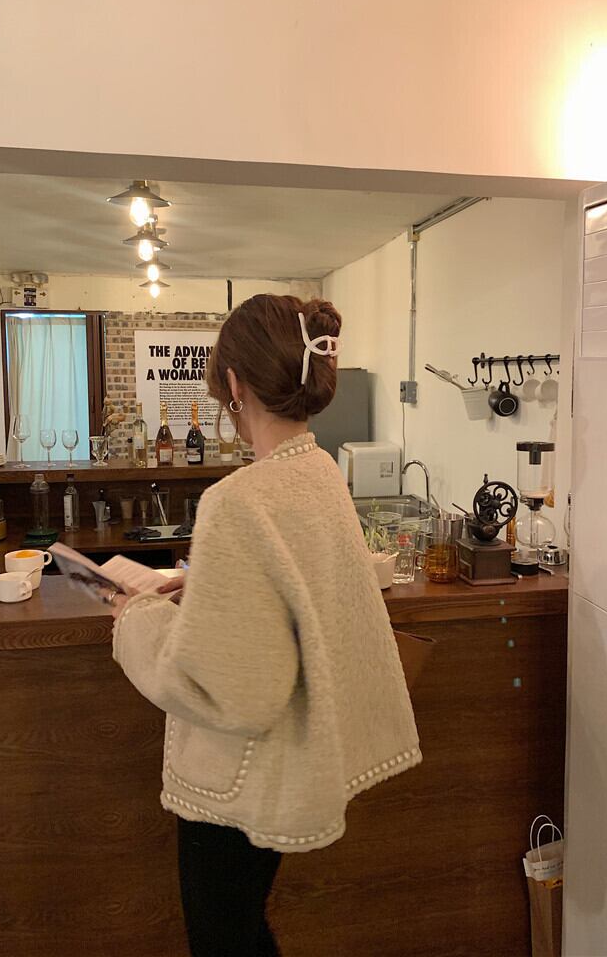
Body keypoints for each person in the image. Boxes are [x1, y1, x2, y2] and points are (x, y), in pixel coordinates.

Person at [110, 294, 421, 957]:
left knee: (224, 940)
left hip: (239, 776)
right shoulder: (319, 470)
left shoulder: (237, 500)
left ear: (233, 383)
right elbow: (300, 591)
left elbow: (229, 691)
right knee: (245, 932)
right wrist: (209, 584)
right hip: (286, 762)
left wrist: (135, 617)